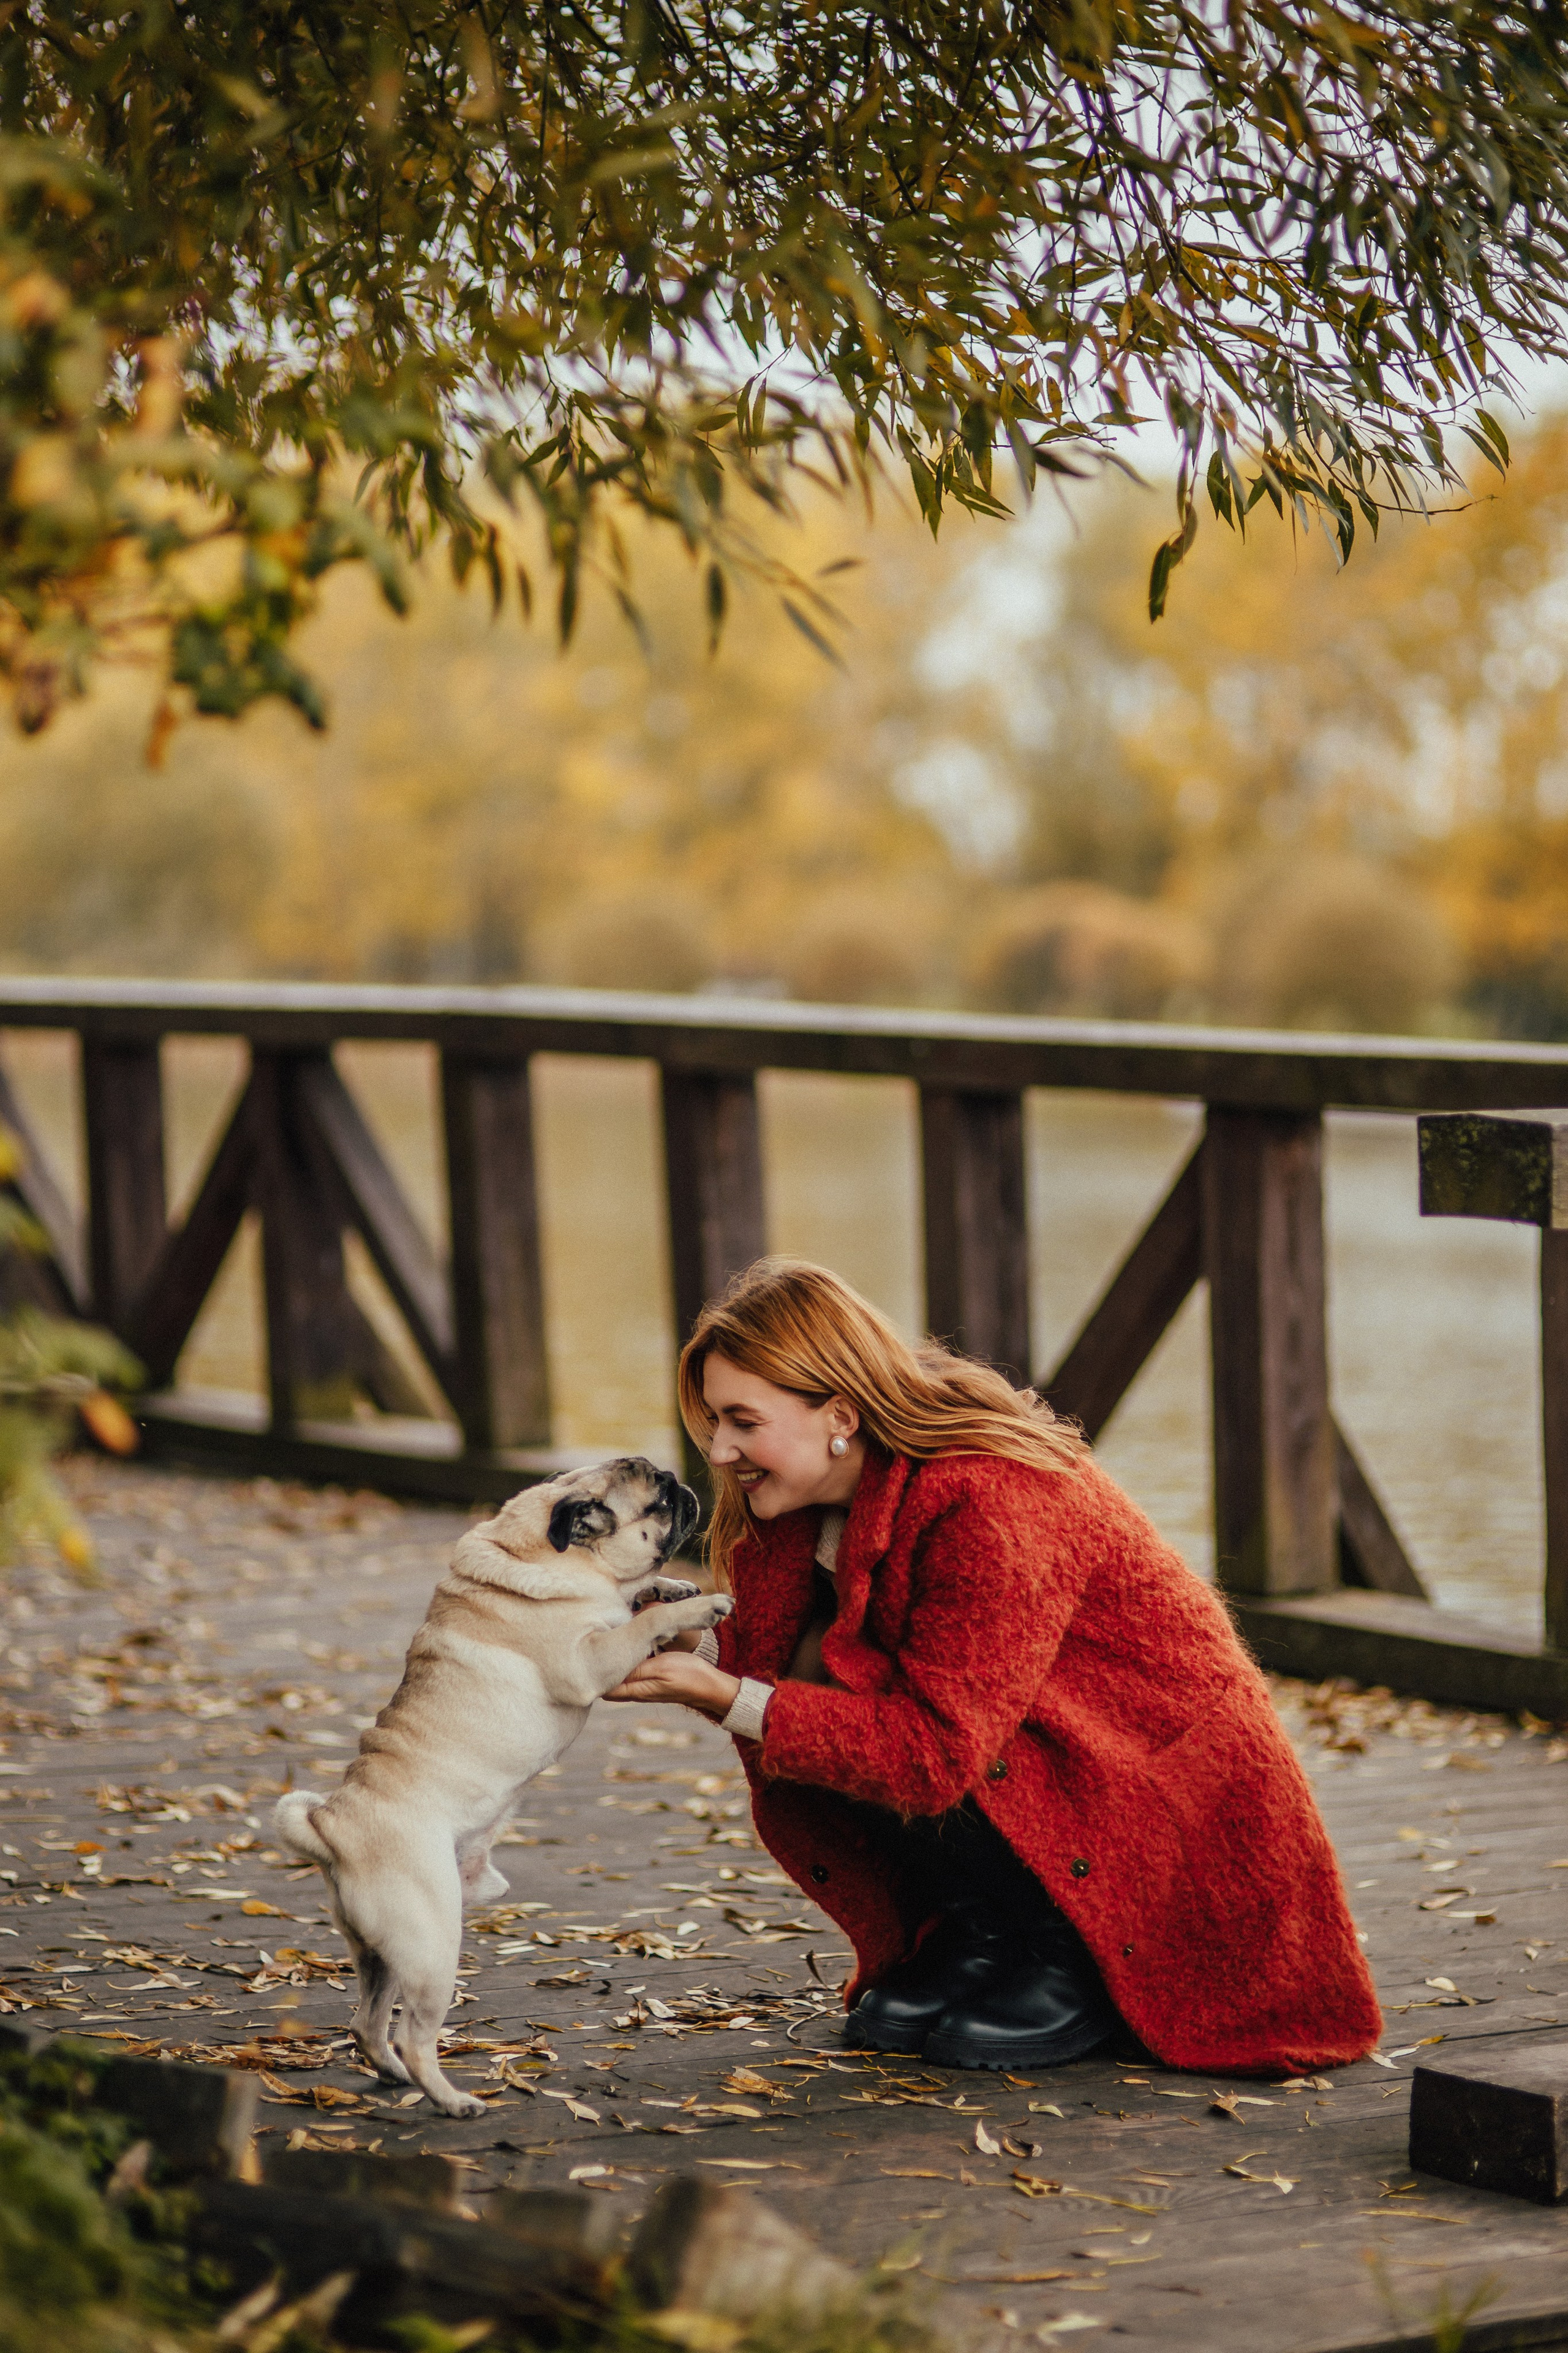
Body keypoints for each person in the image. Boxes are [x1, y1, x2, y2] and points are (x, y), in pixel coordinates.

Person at [605, 1256, 1381, 2074]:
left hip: (1160, 1807)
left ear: (837, 1412)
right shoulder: (797, 1505)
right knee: (831, 1696)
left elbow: (935, 1747)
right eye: (713, 1423)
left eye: (741, 1420)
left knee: (881, 1717)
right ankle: (987, 1933)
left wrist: (723, 1694)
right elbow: (785, 1670)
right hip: (1034, 1765)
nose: (720, 1450)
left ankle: (1061, 1953)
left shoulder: (989, 1496)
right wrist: (695, 1645)